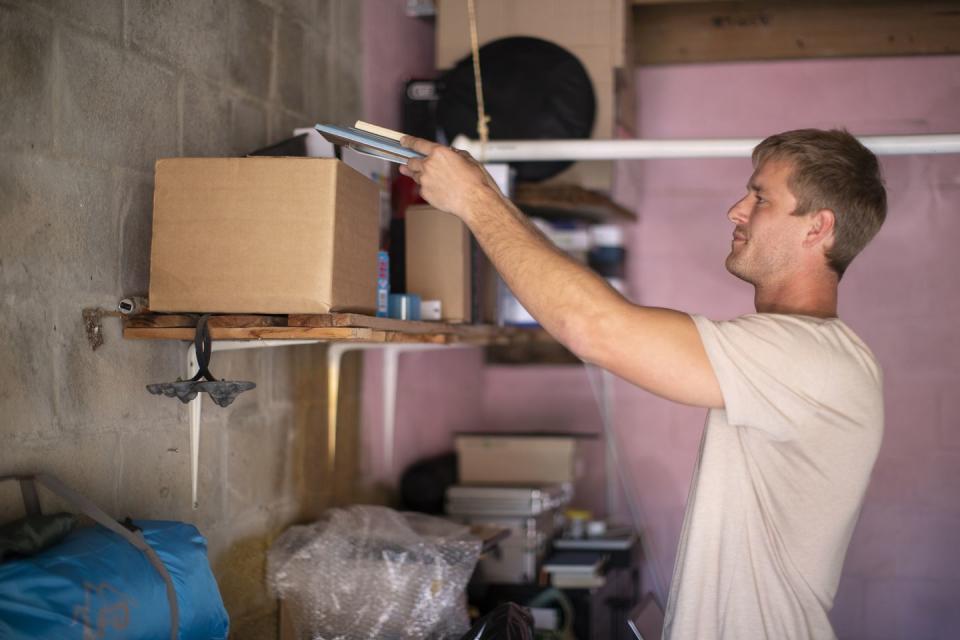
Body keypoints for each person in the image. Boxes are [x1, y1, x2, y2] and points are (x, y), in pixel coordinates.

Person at [399, 128, 886, 639]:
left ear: (817, 227)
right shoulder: (810, 354)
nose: (736, 211)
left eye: (760, 197)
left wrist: (475, 200)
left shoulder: (808, 358)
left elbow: (595, 327)